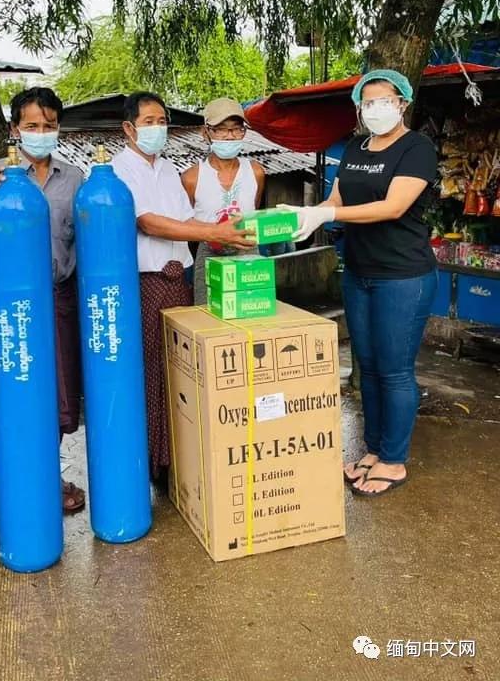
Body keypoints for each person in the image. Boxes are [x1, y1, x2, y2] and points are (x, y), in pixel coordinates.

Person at [280, 69, 438, 498]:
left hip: (403, 276)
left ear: (402, 103)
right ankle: (373, 450)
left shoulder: (416, 148)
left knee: (395, 370)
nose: (375, 109)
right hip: (359, 272)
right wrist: (305, 216)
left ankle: (394, 459)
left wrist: (329, 216)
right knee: (366, 367)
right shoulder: (354, 147)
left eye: (384, 100)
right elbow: (336, 199)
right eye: (367, 102)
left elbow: (393, 206)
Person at [111, 92, 256, 480]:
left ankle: (174, 457)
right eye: (149, 122)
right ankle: (155, 464)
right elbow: (150, 223)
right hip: (149, 282)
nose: (158, 128)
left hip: (179, 279)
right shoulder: (122, 169)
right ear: (129, 128)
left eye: (162, 121)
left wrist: (228, 231)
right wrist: (212, 230)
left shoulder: (167, 168)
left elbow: (186, 219)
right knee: (154, 372)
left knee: (180, 371)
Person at [0, 87, 86, 514]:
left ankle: (48, 474)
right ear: (15, 129)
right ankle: (21, 481)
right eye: (31, 126)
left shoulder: (73, 179)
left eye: (49, 126)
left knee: (61, 393)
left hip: (60, 298)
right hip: (12, 309)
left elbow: (84, 245)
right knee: (18, 390)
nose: (40, 133)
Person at [181, 97, 266, 304]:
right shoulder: (191, 177)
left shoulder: (255, 172)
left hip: (247, 250)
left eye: (237, 129)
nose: (230, 136)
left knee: (250, 310)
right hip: (208, 254)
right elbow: (186, 226)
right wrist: (213, 236)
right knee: (206, 315)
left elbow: (254, 210)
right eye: (221, 129)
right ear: (206, 132)